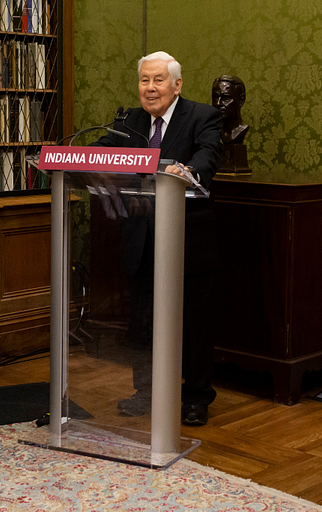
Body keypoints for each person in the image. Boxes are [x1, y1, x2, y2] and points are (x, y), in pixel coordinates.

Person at [92, 51, 222, 426]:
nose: (150, 88)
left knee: (194, 324)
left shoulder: (202, 116)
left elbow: (208, 156)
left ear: (177, 84)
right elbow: (104, 149)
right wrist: (81, 157)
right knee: (142, 322)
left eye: (158, 80)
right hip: (140, 239)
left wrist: (187, 170)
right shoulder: (131, 120)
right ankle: (146, 391)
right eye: (144, 80)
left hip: (188, 239)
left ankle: (196, 397)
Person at [211, 75, 248, 144]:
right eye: (215, 98)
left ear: (241, 100)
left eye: (226, 98)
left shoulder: (241, 130)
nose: (218, 103)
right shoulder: (210, 130)